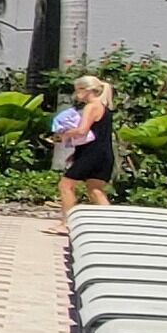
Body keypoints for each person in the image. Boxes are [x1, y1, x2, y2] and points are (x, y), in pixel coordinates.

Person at [51, 74, 116, 230]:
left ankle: (67, 223)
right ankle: (111, 223)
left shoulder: (91, 106)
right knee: (95, 189)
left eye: (78, 90)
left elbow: (82, 130)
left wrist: (63, 135)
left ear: (87, 90)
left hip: (92, 153)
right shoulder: (104, 108)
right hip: (103, 153)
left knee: (65, 185)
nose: (76, 94)